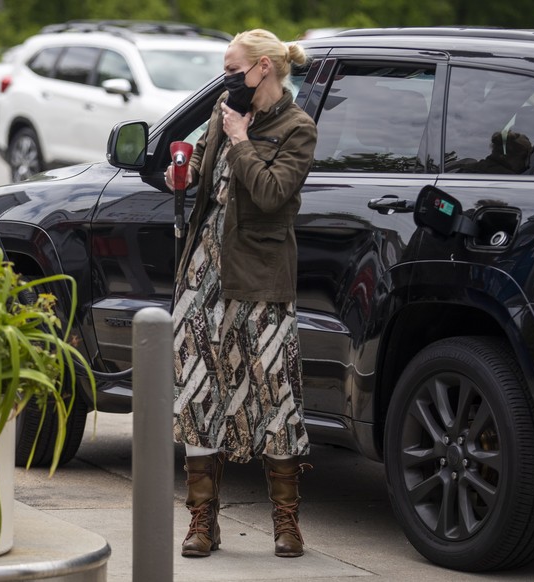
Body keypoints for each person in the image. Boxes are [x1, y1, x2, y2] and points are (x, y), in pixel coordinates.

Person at [165, 28, 317, 559]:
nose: (226, 78)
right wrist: (178, 175)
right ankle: (202, 522)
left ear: (264, 69)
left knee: (275, 397)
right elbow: (208, 176)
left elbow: (274, 195)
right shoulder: (225, 112)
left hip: (261, 275)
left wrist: (241, 140)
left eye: (234, 69)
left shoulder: (298, 127)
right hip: (203, 272)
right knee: (197, 391)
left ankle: (286, 523)